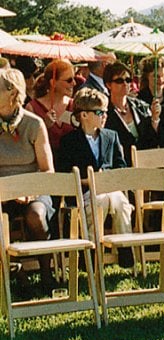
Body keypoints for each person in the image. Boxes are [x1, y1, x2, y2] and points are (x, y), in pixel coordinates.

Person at [56, 88, 133, 262]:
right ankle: (91, 254)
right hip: (83, 192)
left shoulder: (111, 136)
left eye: (106, 112)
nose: (105, 116)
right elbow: (64, 173)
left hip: (109, 188)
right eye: (99, 112)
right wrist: (88, 181)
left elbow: (121, 166)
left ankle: (125, 251)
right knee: (101, 201)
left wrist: (107, 177)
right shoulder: (69, 141)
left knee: (121, 202)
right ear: (84, 115)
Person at [0, 68, 56, 291]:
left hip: (33, 188)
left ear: (12, 93)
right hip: (2, 191)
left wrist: (30, 192)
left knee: (36, 215)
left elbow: (47, 171)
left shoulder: (34, 124)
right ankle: (13, 270)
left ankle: (46, 272)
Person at [103, 61, 159, 165]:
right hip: (120, 167)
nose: (125, 84)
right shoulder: (104, 111)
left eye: (128, 80)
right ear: (108, 85)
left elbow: (151, 138)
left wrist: (155, 119)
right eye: (119, 80)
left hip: (146, 164)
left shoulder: (141, 106)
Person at [28, 60, 76, 157]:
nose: (74, 83)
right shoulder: (32, 107)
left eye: (73, 79)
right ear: (53, 82)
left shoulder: (75, 105)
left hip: (71, 165)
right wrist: (43, 126)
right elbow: (27, 142)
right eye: (69, 80)